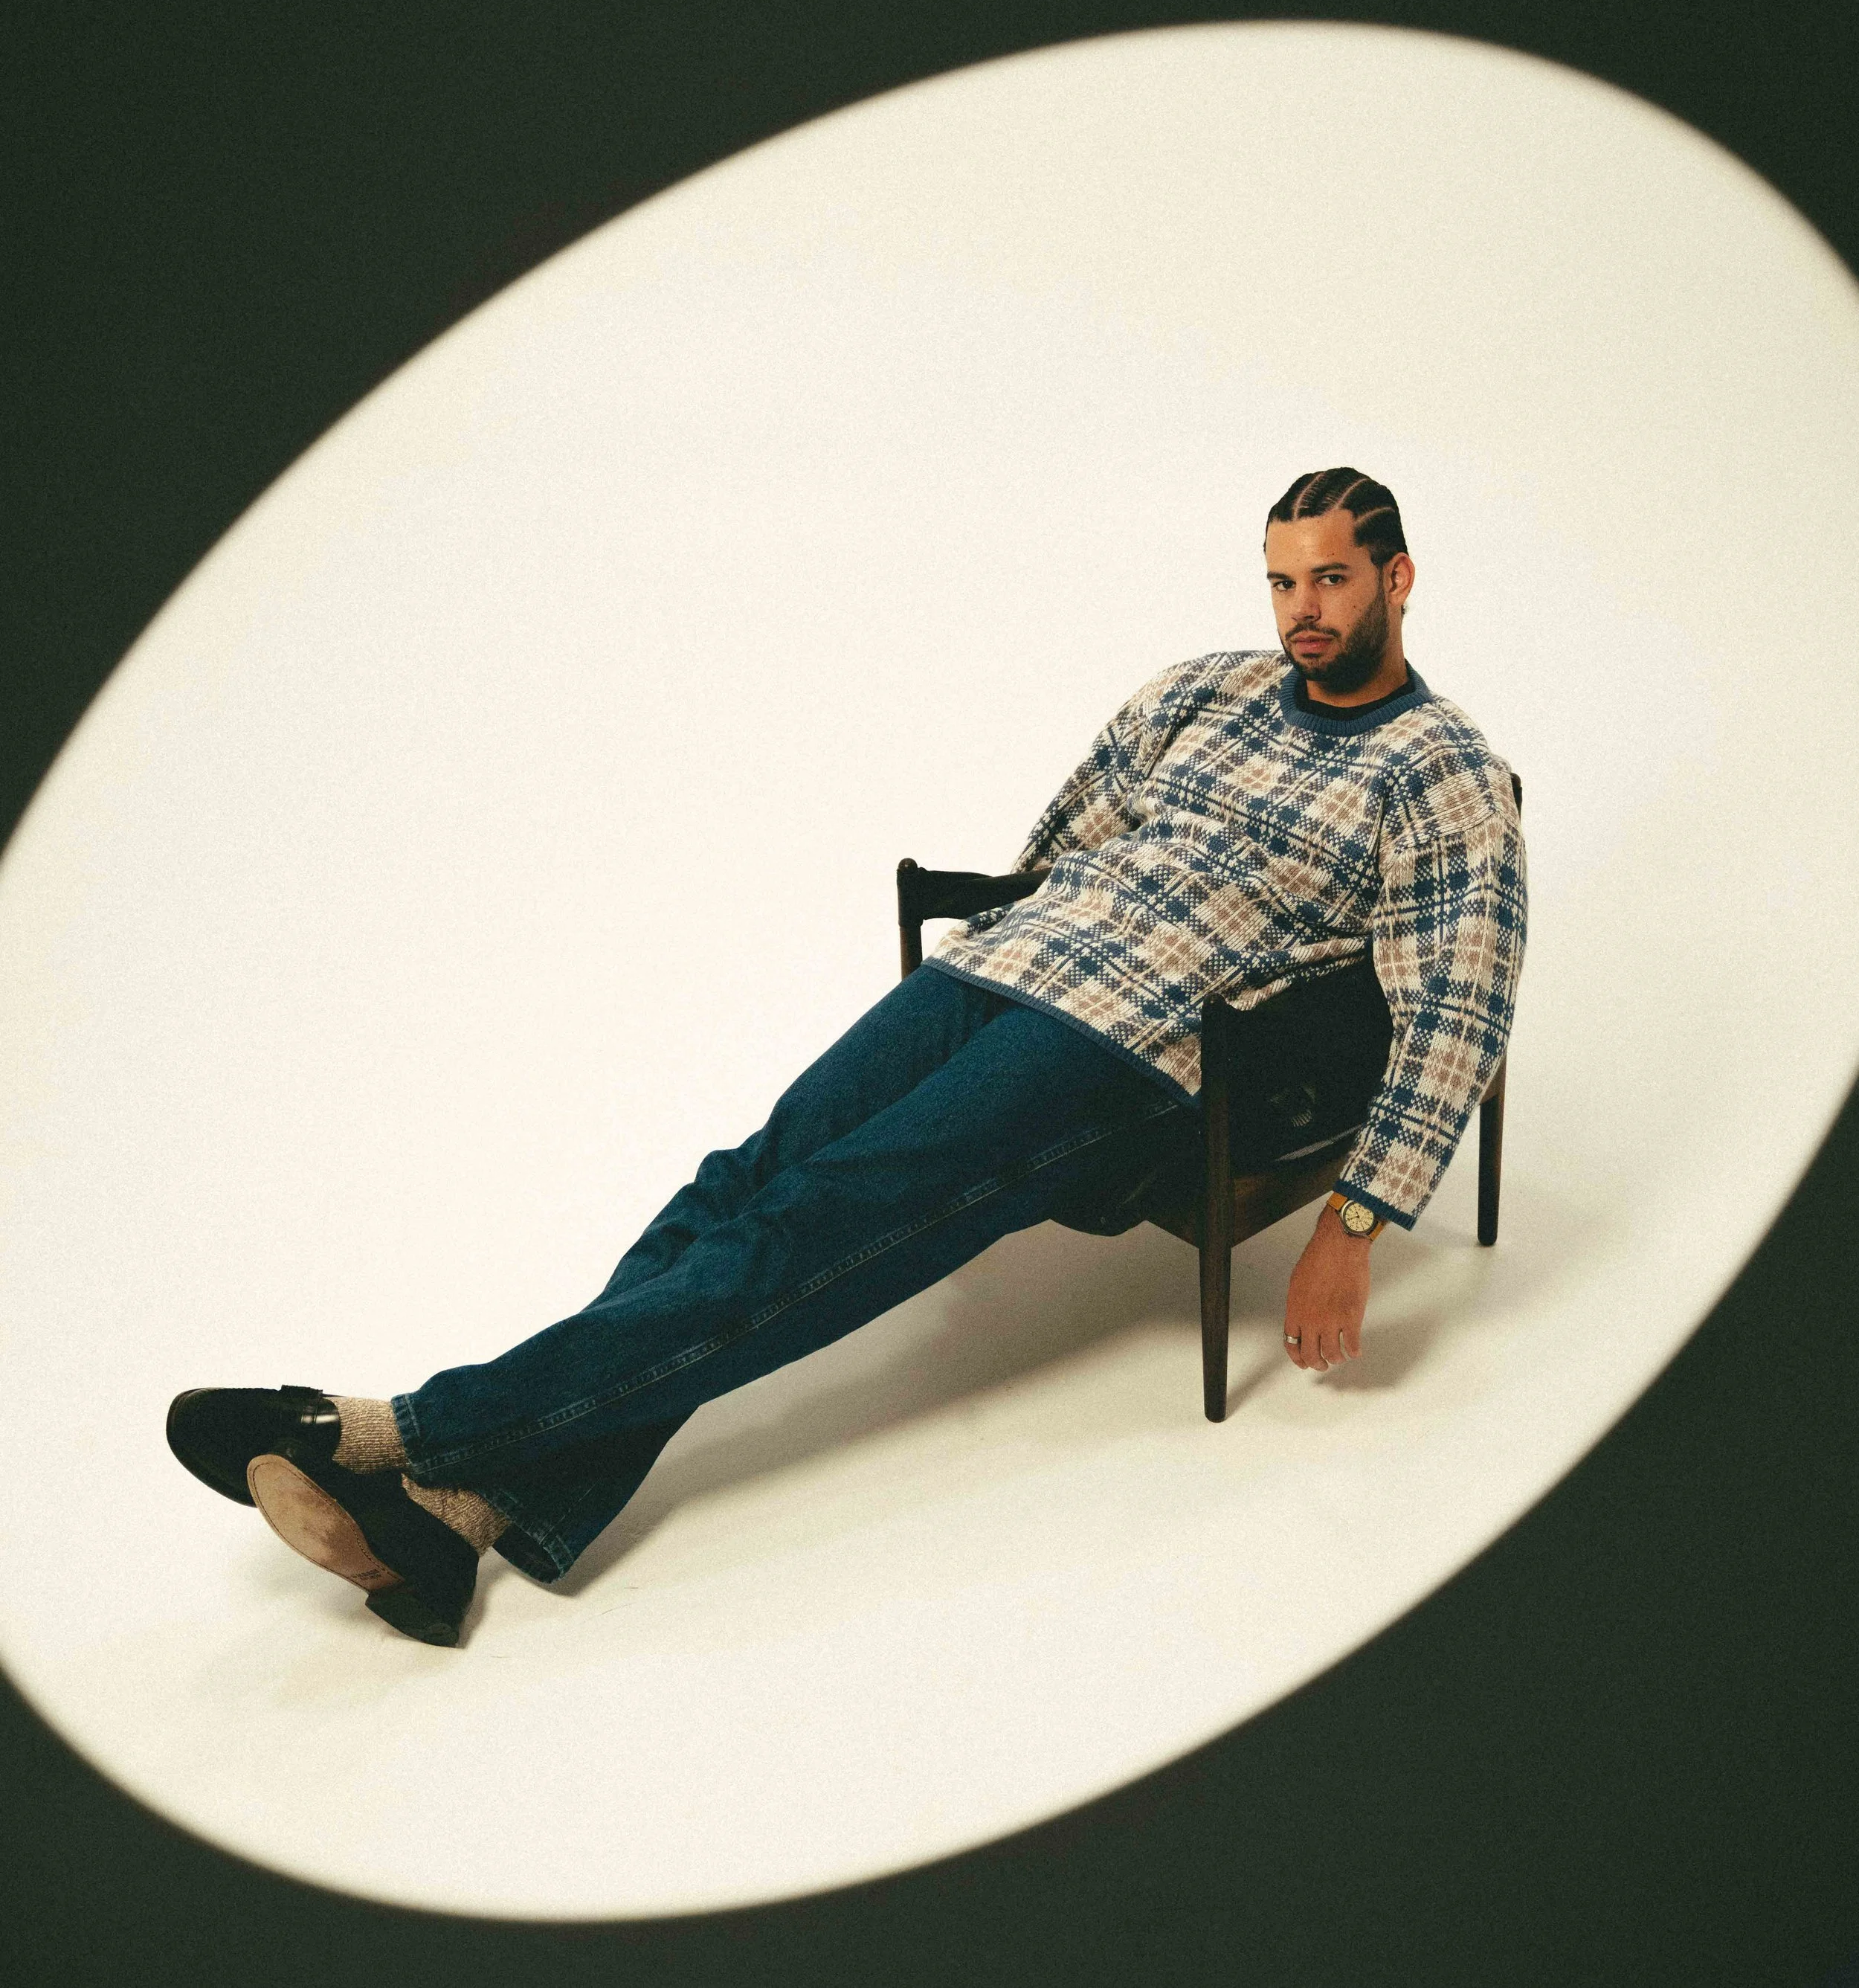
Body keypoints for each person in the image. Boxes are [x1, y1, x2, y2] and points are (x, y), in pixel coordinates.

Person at [168, 466, 1527, 1646]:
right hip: (1008, 966)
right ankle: (458, 1521)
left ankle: (396, 1433)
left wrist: (1357, 1220)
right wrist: (996, 952)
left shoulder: (1443, 772)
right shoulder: (1203, 692)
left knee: (815, 1227)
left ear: (1398, 579)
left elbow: (1459, 1007)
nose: (1303, 609)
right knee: (745, 1180)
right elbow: (1063, 842)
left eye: (1334, 579)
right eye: (1283, 579)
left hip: (1141, 1044)